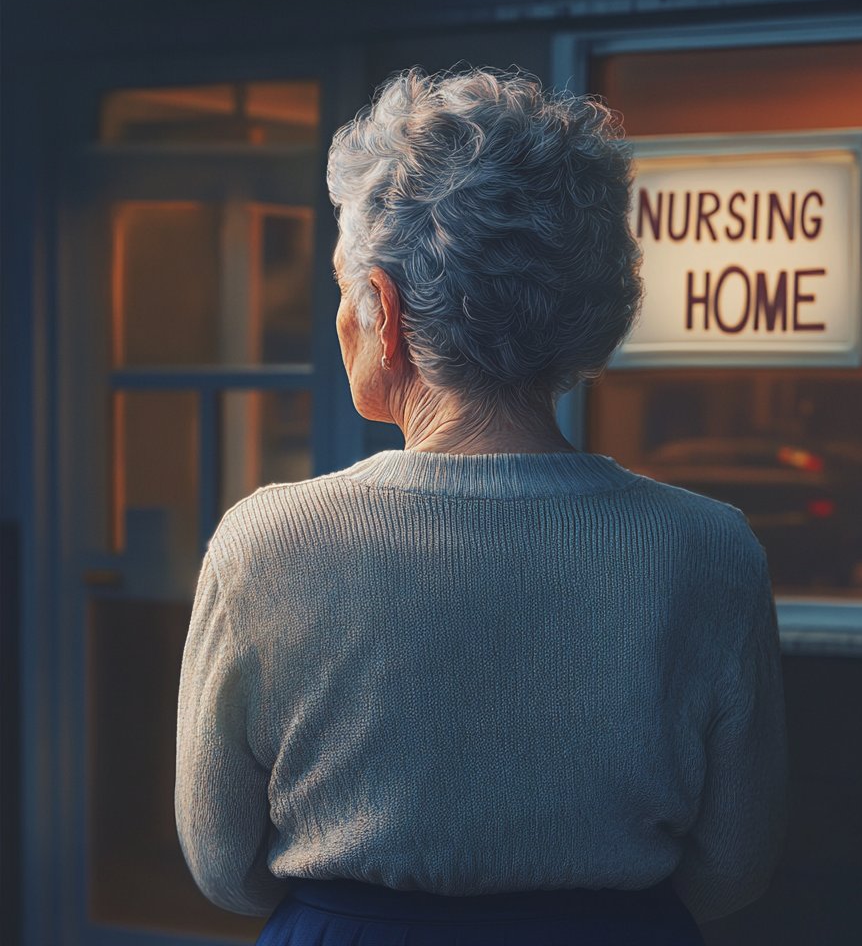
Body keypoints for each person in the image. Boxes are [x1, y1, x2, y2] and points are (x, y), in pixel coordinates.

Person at [175, 66, 787, 946]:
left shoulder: (265, 544)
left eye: (344, 287)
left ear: (381, 310)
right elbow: (735, 864)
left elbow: (222, 867)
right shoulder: (709, 548)